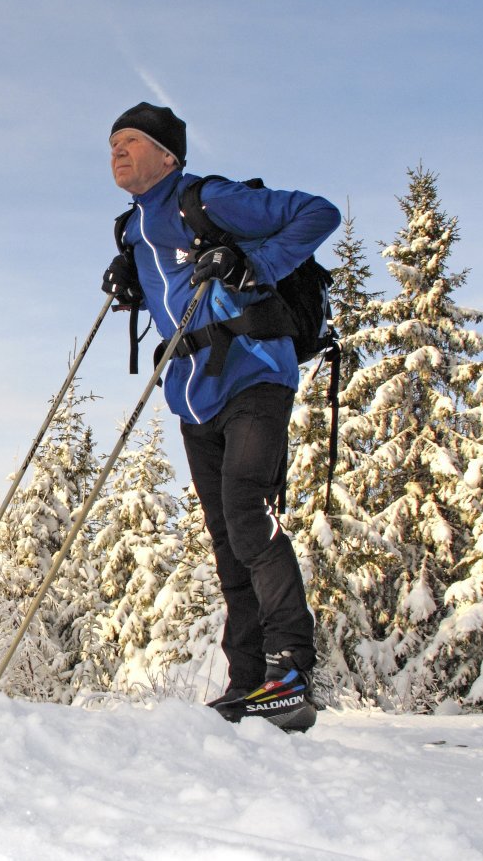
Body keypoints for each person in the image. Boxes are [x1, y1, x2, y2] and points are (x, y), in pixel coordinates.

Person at [102, 102, 340, 732]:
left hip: (256, 371)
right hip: (193, 394)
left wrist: (253, 263)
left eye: (131, 141)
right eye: (112, 144)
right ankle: (247, 684)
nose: (118, 152)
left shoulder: (205, 199)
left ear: (168, 155)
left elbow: (319, 213)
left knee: (248, 515)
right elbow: (168, 284)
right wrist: (131, 280)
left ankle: (289, 672)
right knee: (228, 540)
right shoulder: (134, 229)